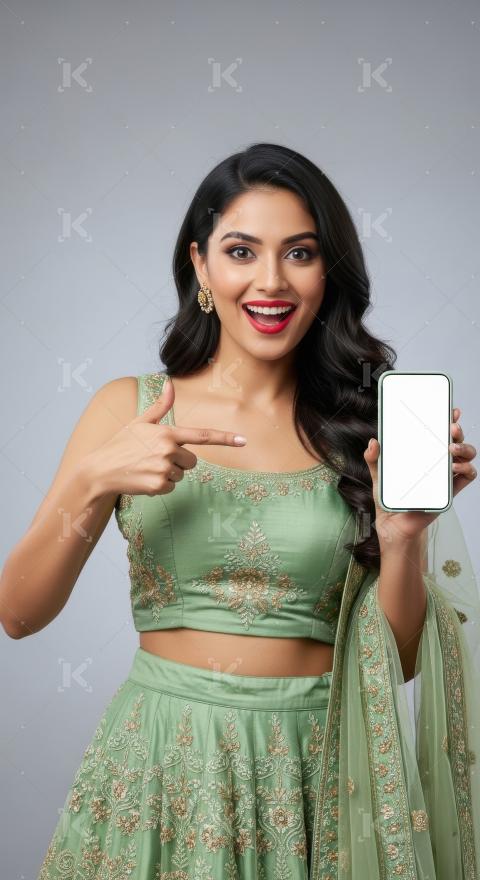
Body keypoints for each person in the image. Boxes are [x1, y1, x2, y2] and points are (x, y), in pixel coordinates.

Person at [2, 142, 479, 879]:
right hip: (163, 760)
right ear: (200, 265)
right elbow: (18, 614)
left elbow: (403, 665)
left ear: (328, 274)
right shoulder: (127, 409)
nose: (270, 281)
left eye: (300, 253)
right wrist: (92, 481)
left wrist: (404, 533)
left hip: (318, 769)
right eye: (241, 250)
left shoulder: (363, 429)